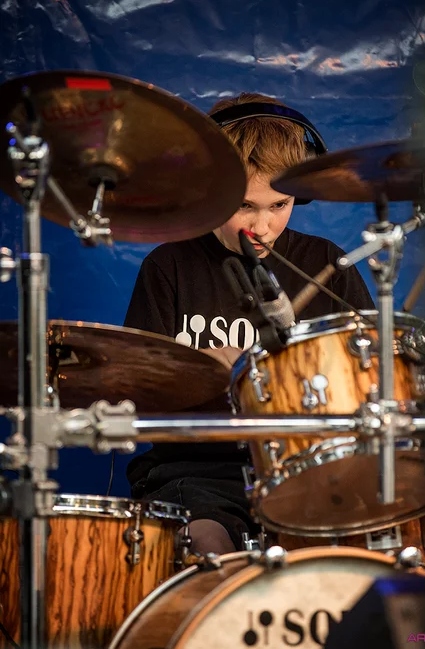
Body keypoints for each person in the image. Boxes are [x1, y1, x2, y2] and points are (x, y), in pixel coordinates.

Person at [124, 92, 374, 556]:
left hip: (309, 469)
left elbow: (371, 380)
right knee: (206, 545)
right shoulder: (168, 267)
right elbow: (137, 393)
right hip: (198, 472)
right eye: (244, 206)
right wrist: (198, 370)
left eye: (279, 205)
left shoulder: (326, 263)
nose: (262, 226)